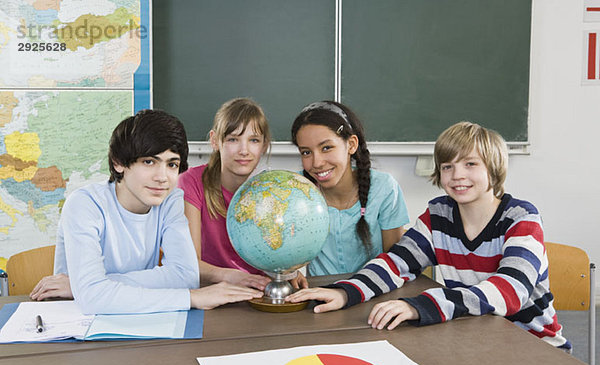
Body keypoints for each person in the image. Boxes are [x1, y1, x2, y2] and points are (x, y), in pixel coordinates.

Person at [287, 121, 571, 351]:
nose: (457, 175)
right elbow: (395, 263)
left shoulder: (522, 218)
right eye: (448, 166)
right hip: (472, 337)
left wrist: (421, 305)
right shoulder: (438, 216)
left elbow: (510, 291)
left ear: (493, 167)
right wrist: (345, 291)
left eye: (470, 164)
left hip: (532, 346)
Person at [30, 109, 263, 313]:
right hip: (76, 325)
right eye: (149, 162)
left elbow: (185, 276)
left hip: (144, 319)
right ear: (118, 162)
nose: (162, 177)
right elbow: (92, 300)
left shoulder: (170, 200)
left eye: (171, 164)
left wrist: (86, 286)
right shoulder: (84, 205)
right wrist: (191, 298)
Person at [177, 98, 307, 290]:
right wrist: (229, 277)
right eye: (233, 139)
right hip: (210, 293)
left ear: (264, 145)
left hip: (255, 292)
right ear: (215, 141)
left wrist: (288, 271)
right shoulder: (191, 182)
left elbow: (272, 251)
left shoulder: (269, 190)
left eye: (253, 140)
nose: (244, 150)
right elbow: (189, 263)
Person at [290, 101, 409, 276]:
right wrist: (288, 272)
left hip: (373, 292)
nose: (317, 163)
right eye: (306, 152)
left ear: (351, 144)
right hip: (319, 295)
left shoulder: (383, 188)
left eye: (327, 148)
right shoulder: (294, 189)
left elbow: (396, 263)